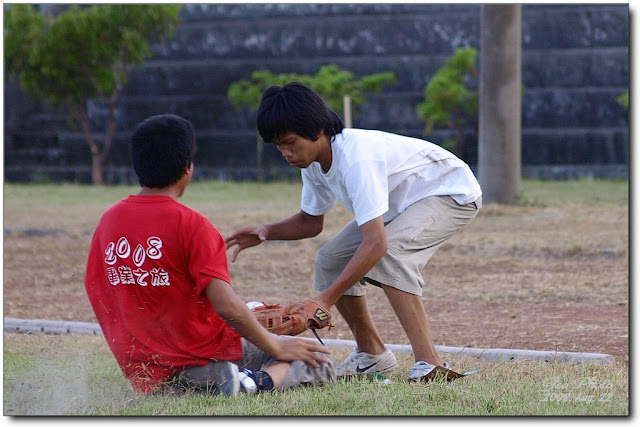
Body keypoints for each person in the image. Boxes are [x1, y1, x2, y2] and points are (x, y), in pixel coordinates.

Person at [225, 83, 482, 382]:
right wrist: (266, 231)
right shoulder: (313, 163)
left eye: (290, 142)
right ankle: (372, 355)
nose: (286, 152)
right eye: (279, 146)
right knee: (330, 260)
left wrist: (324, 300)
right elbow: (311, 221)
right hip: (402, 204)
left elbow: (376, 244)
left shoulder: (356, 158)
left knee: (392, 255)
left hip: (450, 192)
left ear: (317, 129)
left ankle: (430, 363)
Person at [85, 113, 336, 396]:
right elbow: (226, 305)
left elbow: (99, 289)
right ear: (187, 168)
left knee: (251, 314)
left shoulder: (109, 222)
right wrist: (275, 345)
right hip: (199, 355)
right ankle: (248, 383)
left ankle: (192, 383)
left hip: (144, 368)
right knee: (319, 360)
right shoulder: (193, 226)